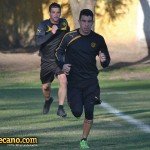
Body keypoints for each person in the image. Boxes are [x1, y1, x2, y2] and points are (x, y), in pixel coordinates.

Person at [56, 9, 110, 149]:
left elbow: (106, 60)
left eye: (89, 22)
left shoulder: (98, 39)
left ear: (92, 22)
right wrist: (63, 64)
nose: (86, 24)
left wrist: (104, 60)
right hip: (74, 82)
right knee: (77, 112)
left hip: (91, 81)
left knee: (89, 111)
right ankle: (71, 99)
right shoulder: (69, 37)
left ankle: (84, 140)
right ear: (79, 21)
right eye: (84, 21)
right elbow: (59, 52)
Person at [35, 2, 70, 117]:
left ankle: (60, 108)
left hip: (59, 59)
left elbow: (68, 37)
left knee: (63, 80)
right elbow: (38, 42)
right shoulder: (43, 25)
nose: (56, 14)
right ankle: (48, 100)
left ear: (60, 13)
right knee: (46, 86)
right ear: (49, 13)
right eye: (53, 12)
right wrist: (52, 32)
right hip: (46, 60)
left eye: (58, 12)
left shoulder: (64, 23)